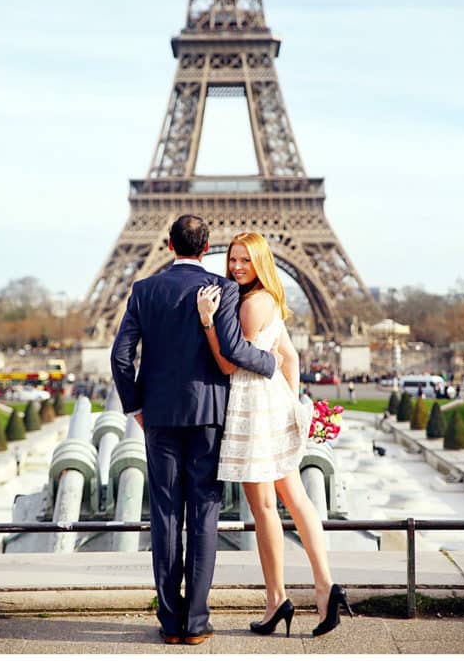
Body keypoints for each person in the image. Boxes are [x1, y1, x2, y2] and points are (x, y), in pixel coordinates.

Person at [110, 214, 280, 646]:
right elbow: (233, 350)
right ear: (208, 249)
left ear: (169, 245)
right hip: (208, 414)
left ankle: (170, 622)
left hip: (160, 417)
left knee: (165, 516)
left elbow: (121, 357)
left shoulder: (144, 290)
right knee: (204, 516)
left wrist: (135, 407)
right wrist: (271, 363)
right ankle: (197, 621)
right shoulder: (221, 289)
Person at [196, 231, 352, 638]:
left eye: (245, 261)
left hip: (251, 408)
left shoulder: (249, 304)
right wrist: (291, 403)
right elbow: (290, 357)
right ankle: (324, 587)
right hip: (274, 404)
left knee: (265, 508)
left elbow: (231, 365)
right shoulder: (272, 299)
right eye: (233, 260)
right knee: (297, 501)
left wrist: (209, 323)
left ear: (260, 262)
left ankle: (276, 599)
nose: (236, 267)